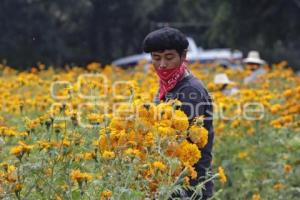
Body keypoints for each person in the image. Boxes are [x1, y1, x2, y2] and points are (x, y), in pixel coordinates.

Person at [143, 27, 214, 199]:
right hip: (169, 180)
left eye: (169, 58)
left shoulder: (190, 90)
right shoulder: (167, 85)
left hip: (188, 185)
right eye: (156, 58)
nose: (162, 65)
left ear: (183, 56)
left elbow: (184, 141)